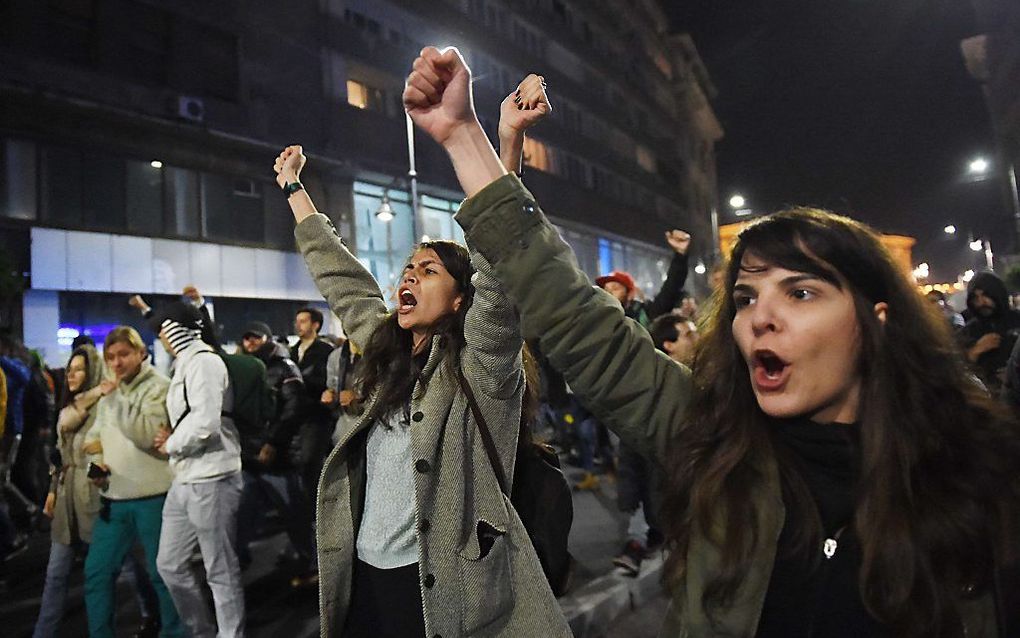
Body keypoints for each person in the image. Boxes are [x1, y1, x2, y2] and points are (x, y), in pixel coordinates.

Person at [406, 45, 1020, 637]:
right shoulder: (713, 438)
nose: (760, 318)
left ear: (877, 320)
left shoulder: (977, 478)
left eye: (800, 293)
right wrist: (462, 134)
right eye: (748, 298)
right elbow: (574, 315)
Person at [271, 78, 571, 635]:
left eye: (429, 271)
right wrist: (295, 190)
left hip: (440, 588)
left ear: (461, 299)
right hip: (363, 573)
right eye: (409, 268)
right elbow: (343, 282)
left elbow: (496, 269)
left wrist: (506, 143)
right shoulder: (387, 351)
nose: (410, 274)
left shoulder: (480, 367)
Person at [151, 302, 245, 638]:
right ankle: (201, 630)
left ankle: (230, 633)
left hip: (213, 476)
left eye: (162, 327)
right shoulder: (186, 364)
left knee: (219, 568)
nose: (159, 335)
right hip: (187, 475)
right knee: (169, 564)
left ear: (174, 329)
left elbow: (206, 424)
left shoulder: (204, 363)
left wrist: (171, 444)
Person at [82, 327, 184, 638]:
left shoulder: (159, 387)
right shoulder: (112, 392)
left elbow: (145, 435)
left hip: (154, 496)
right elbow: (91, 439)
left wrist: (113, 400)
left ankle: (175, 633)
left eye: (123, 354)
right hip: (114, 497)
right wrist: (94, 466)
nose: (116, 362)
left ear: (141, 353)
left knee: (162, 574)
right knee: (96, 574)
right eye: (110, 357)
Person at [234, 320, 315, 583]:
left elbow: (295, 407)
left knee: (294, 514)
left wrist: (273, 442)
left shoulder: (284, 367)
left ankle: (311, 563)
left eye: (255, 338)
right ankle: (237, 560)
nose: (250, 343)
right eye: (246, 339)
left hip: (278, 458)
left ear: (267, 339)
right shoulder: (245, 370)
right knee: (242, 514)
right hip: (249, 457)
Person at [960, 271, 1020, 392]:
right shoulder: (968, 332)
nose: (981, 302)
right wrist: (975, 350)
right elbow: (957, 371)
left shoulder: (1017, 321)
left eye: (986, 295)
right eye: (976, 297)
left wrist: (1012, 376)